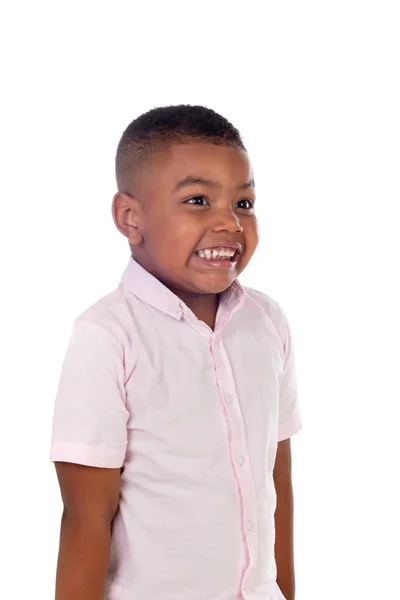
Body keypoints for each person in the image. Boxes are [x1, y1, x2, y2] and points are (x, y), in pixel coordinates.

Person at [50, 104, 302, 600]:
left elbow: (278, 484)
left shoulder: (267, 323)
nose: (229, 223)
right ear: (130, 217)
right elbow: (85, 521)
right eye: (198, 200)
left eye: (244, 204)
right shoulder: (108, 337)